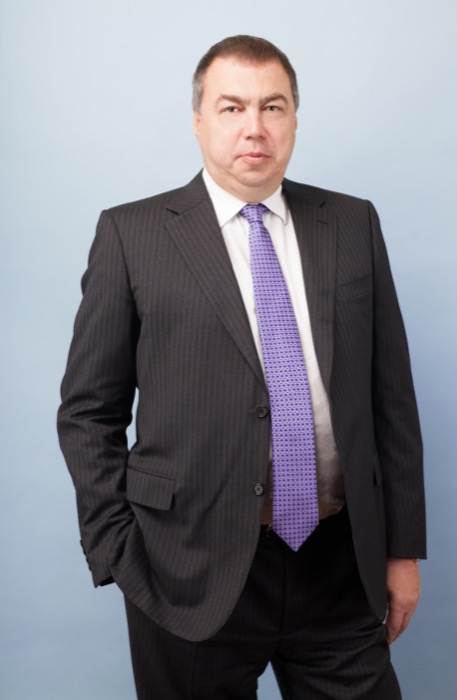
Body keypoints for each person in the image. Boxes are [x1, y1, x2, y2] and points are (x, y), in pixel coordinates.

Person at [58, 35, 426, 699]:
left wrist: (401, 550)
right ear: (199, 121)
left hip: (339, 561)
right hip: (186, 568)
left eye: (272, 107)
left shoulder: (352, 223)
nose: (254, 128)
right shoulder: (132, 235)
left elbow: (391, 398)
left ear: (294, 120)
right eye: (231, 108)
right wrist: (116, 549)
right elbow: (88, 410)